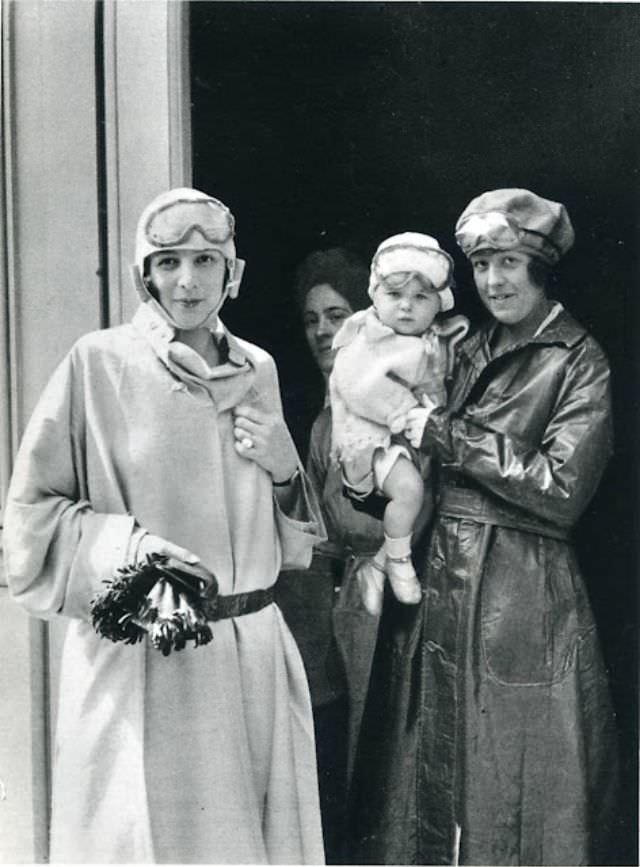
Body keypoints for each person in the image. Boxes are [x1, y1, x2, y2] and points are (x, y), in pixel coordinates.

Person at [3, 187, 327, 864]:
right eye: (169, 260)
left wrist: (285, 470)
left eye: (205, 260)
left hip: (252, 657)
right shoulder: (99, 364)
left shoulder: (259, 369)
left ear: (231, 272)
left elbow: (296, 545)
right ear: (143, 271)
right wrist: (133, 555)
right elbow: (28, 522)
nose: (187, 280)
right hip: (150, 660)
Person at [351, 189, 619, 865]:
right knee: (421, 785)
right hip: (438, 574)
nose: (494, 281)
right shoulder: (460, 345)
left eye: (508, 262)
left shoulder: (577, 359)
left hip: (521, 592)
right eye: (481, 265)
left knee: (513, 783)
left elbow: (562, 488)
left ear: (540, 265)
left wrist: (448, 435)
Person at [275, 248, 385, 863]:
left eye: (337, 313)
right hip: (328, 618)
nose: (322, 329)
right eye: (312, 317)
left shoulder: (390, 402)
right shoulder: (309, 415)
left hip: (385, 607)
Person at [329, 233, 468, 615]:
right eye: (395, 295)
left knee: (426, 503)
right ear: (375, 296)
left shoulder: (427, 341)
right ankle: (400, 564)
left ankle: (379, 566)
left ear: (439, 304)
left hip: (404, 440)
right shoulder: (367, 338)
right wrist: (406, 413)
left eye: (421, 297)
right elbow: (358, 387)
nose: (406, 307)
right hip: (370, 440)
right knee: (408, 492)